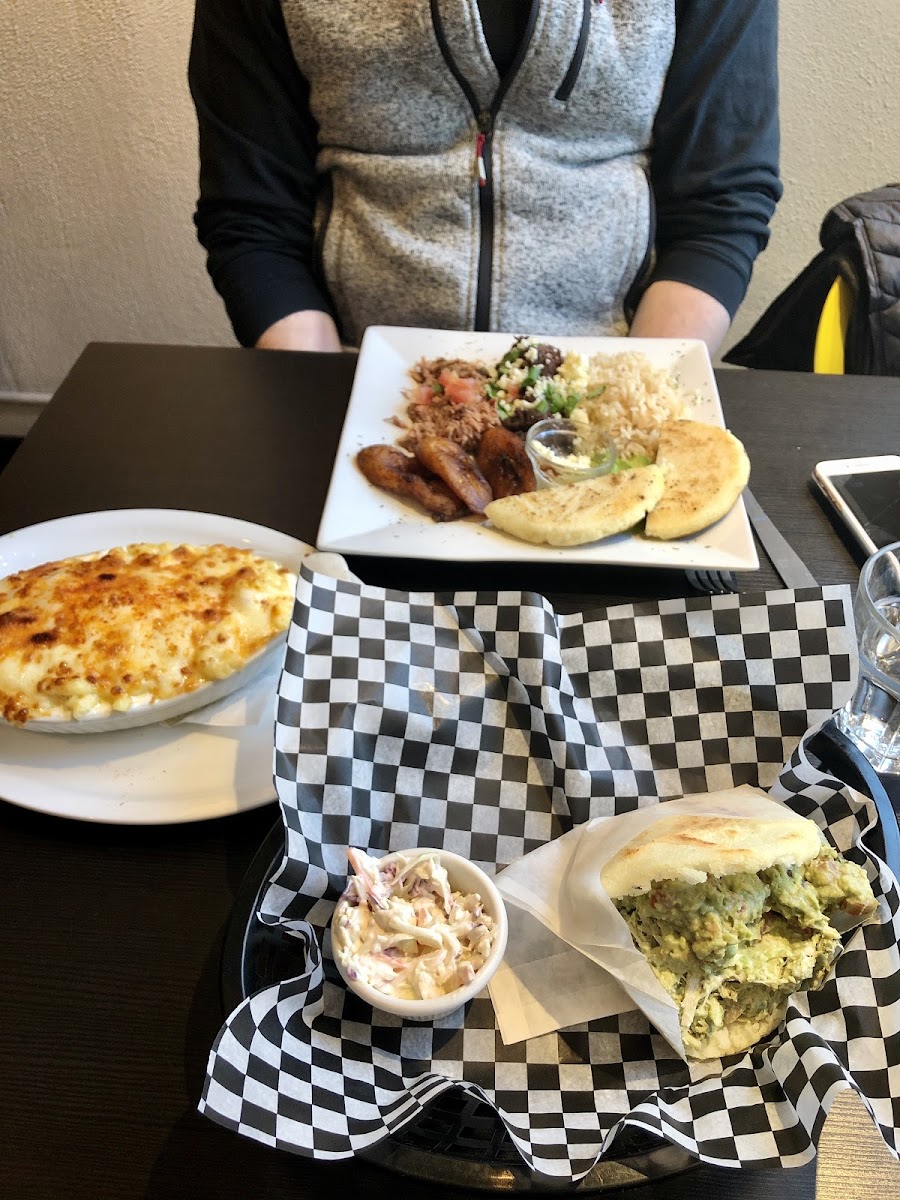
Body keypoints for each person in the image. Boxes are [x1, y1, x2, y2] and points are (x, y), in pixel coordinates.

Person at [188, 0, 781, 356]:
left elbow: (719, 204)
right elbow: (253, 211)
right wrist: (322, 405)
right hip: (348, 374)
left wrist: (635, 404)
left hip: (614, 374)